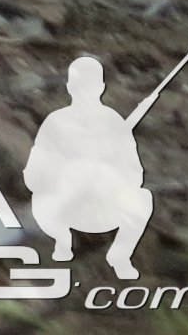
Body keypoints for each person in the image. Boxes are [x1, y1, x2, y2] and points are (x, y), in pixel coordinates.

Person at [25, 53, 160, 280]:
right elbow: (34, 172)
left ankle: (119, 256)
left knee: (143, 199)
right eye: (79, 84)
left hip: (103, 203)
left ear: (100, 87)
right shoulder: (56, 121)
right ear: (70, 86)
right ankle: (61, 246)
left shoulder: (114, 123)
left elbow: (134, 173)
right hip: (62, 203)